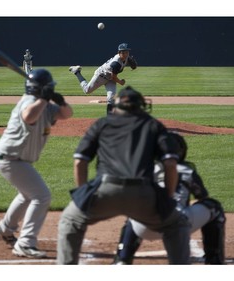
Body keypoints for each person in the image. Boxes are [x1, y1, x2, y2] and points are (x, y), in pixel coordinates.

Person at [57, 86, 191, 265]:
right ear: (141, 106)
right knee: (177, 224)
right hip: (144, 194)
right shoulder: (153, 125)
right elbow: (170, 163)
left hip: (105, 192)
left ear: (118, 105)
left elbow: (80, 161)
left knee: (70, 220)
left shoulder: (102, 123)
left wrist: (83, 194)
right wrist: (167, 197)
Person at [0, 68, 73, 258]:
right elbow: (28, 116)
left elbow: (67, 114)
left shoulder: (44, 105)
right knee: (42, 196)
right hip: (10, 159)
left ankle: (5, 229)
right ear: (42, 89)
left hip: (16, 160)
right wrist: (44, 99)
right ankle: (25, 243)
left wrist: (60, 101)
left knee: (27, 195)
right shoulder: (28, 102)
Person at [113, 132, 226, 265]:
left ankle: (123, 258)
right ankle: (214, 262)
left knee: (135, 209)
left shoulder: (145, 170)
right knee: (214, 207)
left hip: (142, 227)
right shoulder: (187, 171)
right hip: (177, 226)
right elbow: (202, 197)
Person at [69, 43, 137, 114]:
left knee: (111, 97)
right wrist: (120, 82)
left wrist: (133, 65)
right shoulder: (116, 63)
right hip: (101, 76)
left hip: (110, 78)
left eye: (127, 52)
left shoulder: (126, 58)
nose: (126, 54)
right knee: (87, 90)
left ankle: (110, 119)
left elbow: (130, 62)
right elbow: (113, 77)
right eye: (124, 52)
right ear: (119, 53)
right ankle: (77, 72)